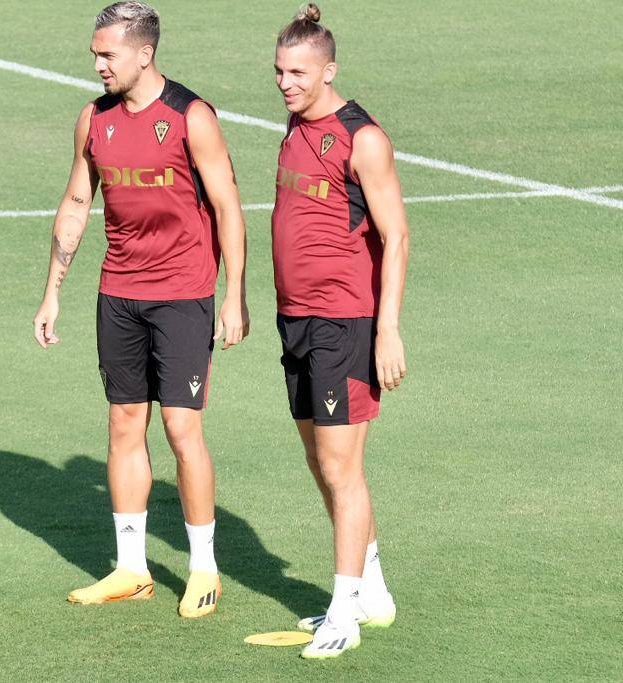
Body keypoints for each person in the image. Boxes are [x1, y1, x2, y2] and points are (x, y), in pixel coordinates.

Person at [32, 1, 248, 619]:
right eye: (95, 55)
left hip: (182, 294)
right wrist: (53, 290)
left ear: (143, 53)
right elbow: (76, 203)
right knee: (125, 422)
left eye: (108, 55)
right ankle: (132, 568)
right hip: (118, 293)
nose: (98, 65)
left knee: (182, 428)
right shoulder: (92, 120)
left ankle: (204, 568)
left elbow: (228, 207)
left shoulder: (190, 116)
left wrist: (234, 294)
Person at [270, 3, 409, 658]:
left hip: (345, 321)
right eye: (280, 71)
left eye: (299, 72)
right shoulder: (296, 125)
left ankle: (343, 612)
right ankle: (371, 591)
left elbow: (397, 236)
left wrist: (388, 331)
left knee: (340, 464)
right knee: (318, 459)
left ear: (330, 70)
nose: (286, 82)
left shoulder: (364, 138)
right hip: (296, 319)